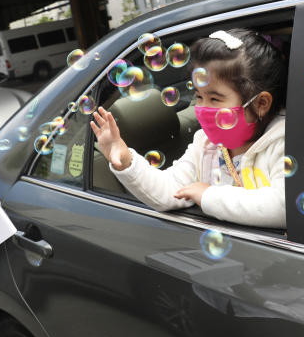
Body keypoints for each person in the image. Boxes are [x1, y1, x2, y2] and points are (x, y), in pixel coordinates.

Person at [91, 28, 287, 228]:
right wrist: (126, 161)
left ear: (261, 103)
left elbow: (283, 206)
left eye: (214, 98)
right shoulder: (205, 145)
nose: (202, 108)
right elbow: (171, 190)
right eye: (199, 97)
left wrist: (208, 196)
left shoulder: (282, 143)